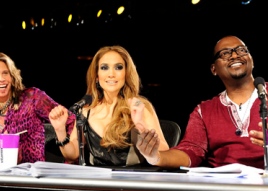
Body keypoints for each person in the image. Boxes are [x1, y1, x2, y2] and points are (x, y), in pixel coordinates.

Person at [49, 45, 169, 167]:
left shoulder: (139, 106)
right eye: (104, 68)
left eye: (118, 67)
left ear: (126, 73)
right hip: (97, 182)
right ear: (97, 76)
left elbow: (164, 151)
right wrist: (60, 130)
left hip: (131, 181)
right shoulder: (86, 111)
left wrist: (140, 125)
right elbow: (72, 154)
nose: (111, 74)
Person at [167, 35, 267, 169]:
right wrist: (156, 156)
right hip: (223, 187)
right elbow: (191, 151)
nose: (235, 56)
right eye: (225, 53)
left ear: (252, 60)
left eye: (241, 50)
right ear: (214, 69)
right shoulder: (204, 110)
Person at [0, 52, 76, 167]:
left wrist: (69, 156)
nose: (1, 79)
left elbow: (72, 121)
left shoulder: (32, 98)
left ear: (12, 76)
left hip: (30, 177)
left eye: (6, 73)